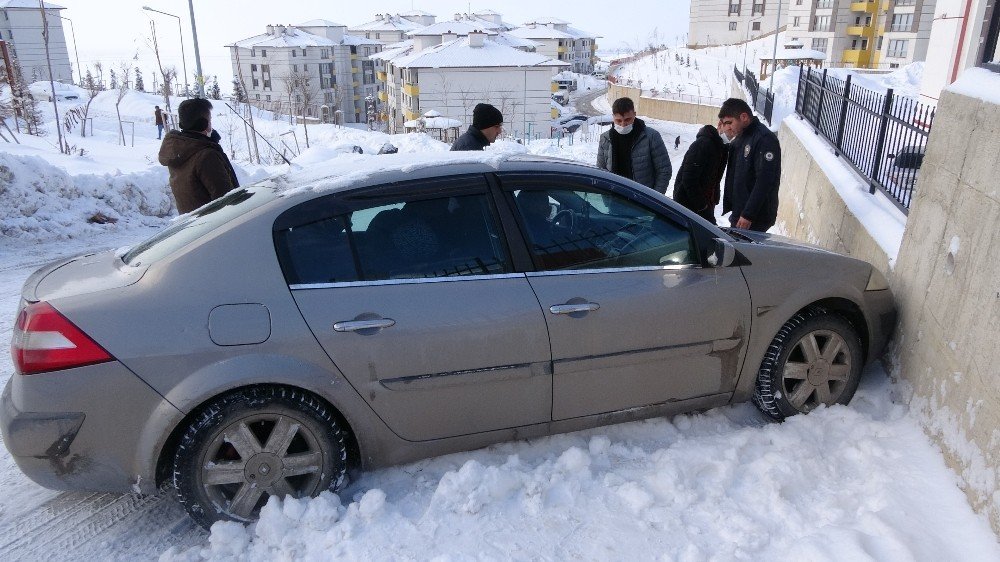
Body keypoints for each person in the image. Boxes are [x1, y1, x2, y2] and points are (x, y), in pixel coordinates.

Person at [158, 98, 239, 214]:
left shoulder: (180, 150)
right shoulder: (206, 156)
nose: (211, 125)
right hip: (216, 225)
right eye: (210, 120)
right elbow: (226, 199)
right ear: (203, 124)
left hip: (196, 225)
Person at [718, 98, 781, 232]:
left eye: (729, 123)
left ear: (744, 117)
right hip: (740, 211)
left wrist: (748, 214)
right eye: (724, 124)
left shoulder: (764, 139)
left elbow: (764, 180)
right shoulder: (742, 136)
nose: (727, 127)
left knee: (743, 252)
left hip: (754, 217)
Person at [596, 97, 672, 194]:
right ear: (613, 117)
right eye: (618, 121)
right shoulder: (605, 139)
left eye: (627, 119)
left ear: (634, 115)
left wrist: (654, 198)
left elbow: (664, 170)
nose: (623, 124)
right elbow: (601, 172)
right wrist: (605, 197)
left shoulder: (651, 137)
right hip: (614, 199)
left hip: (642, 201)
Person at [672, 124, 728, 224]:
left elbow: (715, 178)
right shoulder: (703, 144)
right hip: (690, 206)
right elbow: (689, 179)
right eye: (730, 127)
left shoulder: (722, 147)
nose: (732, 133)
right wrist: (702, 205)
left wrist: (714, 198)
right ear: (720, 125)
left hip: (705, 204)